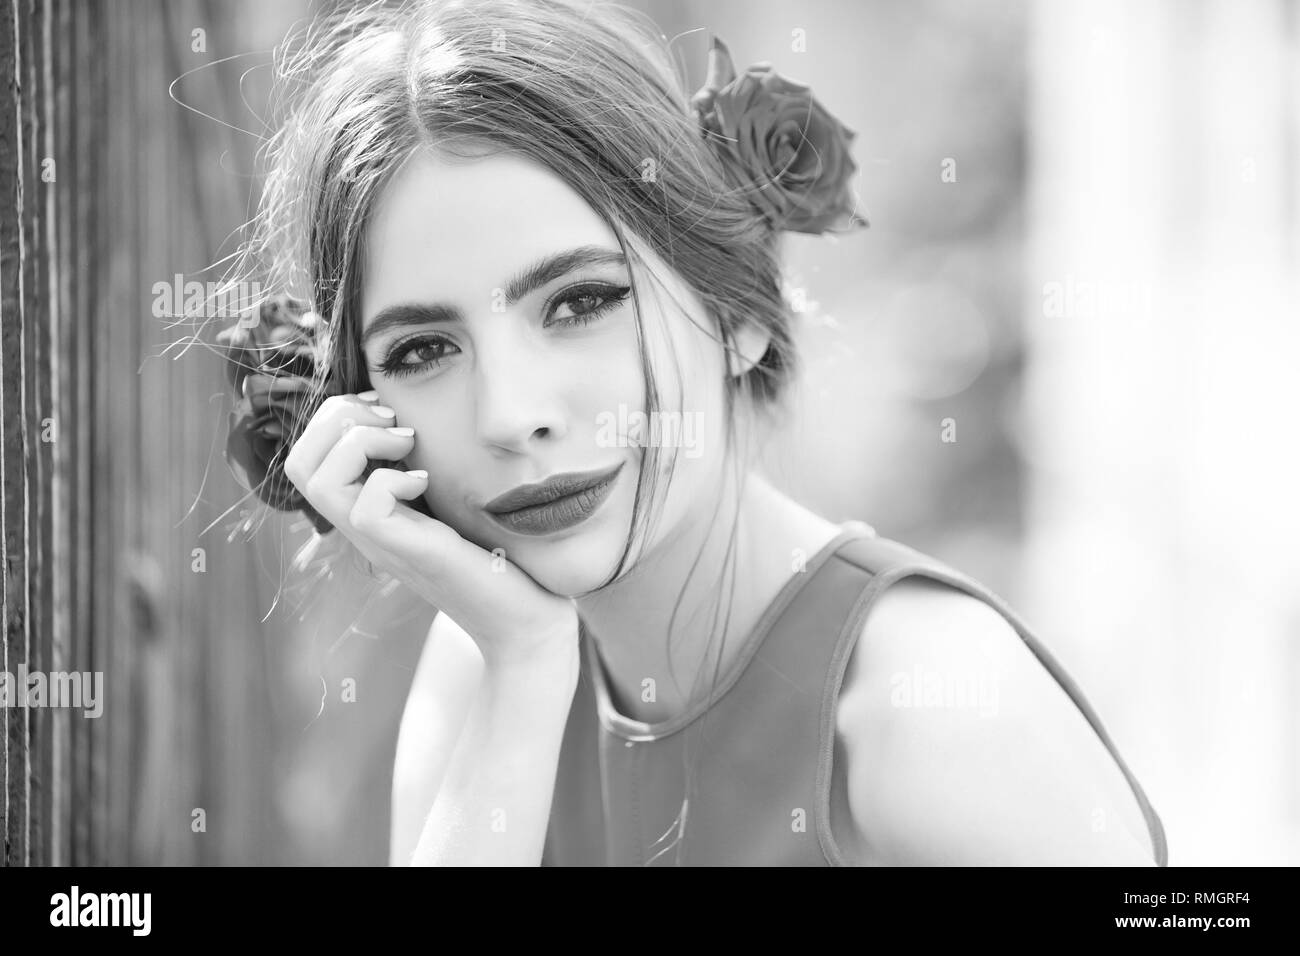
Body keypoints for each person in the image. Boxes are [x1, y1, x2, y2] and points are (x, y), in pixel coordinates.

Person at [215, 0, 1167, 866]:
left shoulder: (933, 715)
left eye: (581, 300)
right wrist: (523, 674)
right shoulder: (491, 659)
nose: (511, 415)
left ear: (737, 305)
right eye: (423, 351)